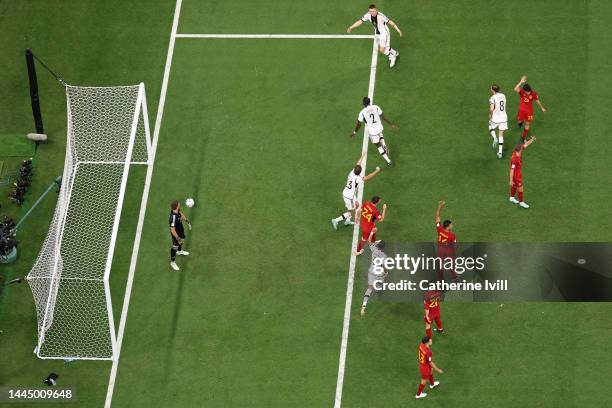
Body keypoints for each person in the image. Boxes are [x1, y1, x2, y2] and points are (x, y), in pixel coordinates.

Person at [332, 152, 381, 230]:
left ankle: (347, 221)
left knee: (357, 205)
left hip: (349, 193)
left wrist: (362, 156)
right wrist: (377, 171)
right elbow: (368, 177)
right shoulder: (358, 179)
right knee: (351, 212)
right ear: (360, 172)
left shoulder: (352, 172)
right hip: (349, 197)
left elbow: (358, 164)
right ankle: (336, 220)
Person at [350, 97, 398, 166]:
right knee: (380, 135)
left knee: (378, 146)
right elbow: (383, 116)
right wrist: (391, 124)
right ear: (369, 102)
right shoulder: (376, 107)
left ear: (363, 104)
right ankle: (384, 145)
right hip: (379, 127)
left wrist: (354, 132)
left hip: (373, 131)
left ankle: (388, 160)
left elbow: (359, 124)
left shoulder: (362, 113)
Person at [514, 75, 546, 140]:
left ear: (524, 90)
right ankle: (523, 136)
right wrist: (542, 108)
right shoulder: (533, 93)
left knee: (519, 120)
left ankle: (520, 124)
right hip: (529, 112)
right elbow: (537, 101)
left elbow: (515, 89)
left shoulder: (522, 92)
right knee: (527, 124)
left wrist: (521, 81)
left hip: (522, 110)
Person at [360, 240, 388, 317]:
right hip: (379, 275)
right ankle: (379, 292)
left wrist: (372, 232)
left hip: (372, 273)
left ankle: (363, 306)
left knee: (369, 289)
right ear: (383, 248)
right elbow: (385, 267)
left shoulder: (374, 249)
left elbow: (369, 241)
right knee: (379, 288)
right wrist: (386, 273)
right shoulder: (384, 256)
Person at [509, 136, 536, 209]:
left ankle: (511, 198)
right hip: (516, 176)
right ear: (519, 150)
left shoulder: (518, 152)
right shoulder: (514, 159)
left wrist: (532, 140)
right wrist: (511, 180)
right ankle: (521, 202)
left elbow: (526, 144)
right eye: (521, 149)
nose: (522, 149)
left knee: (514, 186)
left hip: (517, 174)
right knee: (520, 188)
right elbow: (511, 170)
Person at [435, 201, 457, 280]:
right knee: (452, 265)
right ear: (448, 226)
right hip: (448, 249)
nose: (452, 225)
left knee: (440, 265)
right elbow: (454, 245)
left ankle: (440, 281)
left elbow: (437, 217)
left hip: (440, 248)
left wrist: (439, 207)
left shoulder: (439, 228)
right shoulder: (452, 235)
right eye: (451, 225)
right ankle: (454, 279)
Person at [169, 200, 190, 271]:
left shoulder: (177, 210)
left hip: (180, 229)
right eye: (179, 204)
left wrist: (187, 221)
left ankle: (179, 251)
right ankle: (172, 262)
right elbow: (172, 230)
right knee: (175, 247)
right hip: (175, 233)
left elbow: (181, 214)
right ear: (177, 206)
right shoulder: (173, 217)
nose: (180, 204)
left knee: (182, 240)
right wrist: (178, 238)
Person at [489, 84, 508, 158]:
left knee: (490, 125)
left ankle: (494, 138)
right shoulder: (503, 95)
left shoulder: (492, 98)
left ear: (493, 90)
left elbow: (491, 109)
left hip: (496, 118)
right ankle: (500, 153)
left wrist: (490, 115)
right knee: (501, 134)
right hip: (504, 117)